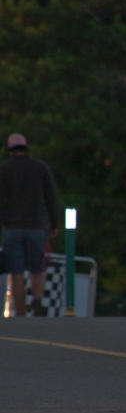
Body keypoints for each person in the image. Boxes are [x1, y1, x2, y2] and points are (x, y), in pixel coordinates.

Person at [0, 133, 60, 316]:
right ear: (26, 148)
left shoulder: (4, 169)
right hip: (37, 226)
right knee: (37, 268)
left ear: (9, 150)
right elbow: (51, 197)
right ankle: (38, 301)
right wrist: (54, 223)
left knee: (16, 272)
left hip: (12, 227)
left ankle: (20, 312)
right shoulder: (40, 167)